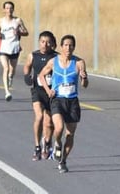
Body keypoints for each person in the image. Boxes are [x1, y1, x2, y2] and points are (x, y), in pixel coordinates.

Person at [38, 34, 89, 173]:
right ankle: (57, 144)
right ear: (61, 47)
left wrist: (84, 78)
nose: (68, 48)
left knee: (70, 134)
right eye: (65, 45)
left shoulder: (79, 63)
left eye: (71, 45)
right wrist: (48, 91)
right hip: (57, 100)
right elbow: (41, 76)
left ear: (74, 47)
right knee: (59, 128)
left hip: (72, 101)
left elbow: (85, 85)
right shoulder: (53, 62)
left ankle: (63, 161)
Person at [23, 31, 58, 161]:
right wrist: (27, 76)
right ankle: (37, 146)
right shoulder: (33, 55)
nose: (45, 44)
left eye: (48, 42)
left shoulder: (56, 57)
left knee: (49, 122)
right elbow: (27, 66)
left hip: (51, 92)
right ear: (39, 42)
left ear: (53, 44)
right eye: (43, 41)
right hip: (37, 90)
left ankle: (47, 142)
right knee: (39, 116)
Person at [0, 1, 29, 101]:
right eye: (7, 8)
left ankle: (10, 77)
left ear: (13, 9)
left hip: (14, 48)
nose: (9, 10)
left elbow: (26, 32)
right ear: (4, 10)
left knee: (12, 70)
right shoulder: (0, 21)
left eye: (10, 8)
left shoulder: (18, 20)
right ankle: (7, 92)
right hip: (3, 48)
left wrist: (19, 32)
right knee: (5, 68)